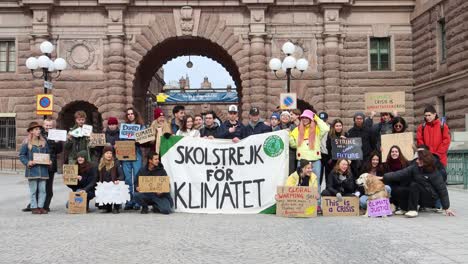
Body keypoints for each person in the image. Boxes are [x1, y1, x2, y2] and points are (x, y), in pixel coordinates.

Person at [381, 149, 455, 218]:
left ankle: (413, 210)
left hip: (430, 198)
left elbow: (442, 190)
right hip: (418, 193)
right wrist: (383, 177)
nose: (417, 161)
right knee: (399, 189)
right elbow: (399, 174)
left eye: (419, 159)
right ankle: (405, 208)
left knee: (414, 185)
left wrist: (446, 207)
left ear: (425, 160)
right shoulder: (414, 167)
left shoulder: (434, 172)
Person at [22, 118, 63, 212]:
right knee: (36, 187)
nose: (48, 127)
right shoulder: (38, 134)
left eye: (50, 125)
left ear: (53, 126)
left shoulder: (56, 135)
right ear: (43, 125)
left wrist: (57, 142)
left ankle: (45, 206)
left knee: (47, 188)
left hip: (50, 164)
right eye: (46, 125)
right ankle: (33, 205)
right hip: (38, 164)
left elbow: (59, 150)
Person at [289, 109, 330, 187]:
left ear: (311, 119)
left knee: (315, 183)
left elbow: (326, 128)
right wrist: (290, 136)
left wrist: (316, 117)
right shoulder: (296, 130)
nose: (304, 119)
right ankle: (302, 199)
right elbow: (294, 145)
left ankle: (317, 200)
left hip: (315, 161)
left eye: (307, 117)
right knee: (300, 183)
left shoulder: (317, 129)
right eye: (303, 117)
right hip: (302, 161)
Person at [19, 122, 51, 214]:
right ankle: (34, 207)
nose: (38, 131)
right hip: (32, 171)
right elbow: (21, 155)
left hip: (43, 170)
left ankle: (40, 207)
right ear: (31, 131)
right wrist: (28, 162)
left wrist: (49, 161)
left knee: (43, 190)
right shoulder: (26, 143)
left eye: (39, 129)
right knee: (33, 191)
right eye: (36, 129)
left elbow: (48, 154)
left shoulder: (44, 142)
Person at [122, 107, 145, 210]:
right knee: (127, 178)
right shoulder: (124, 127)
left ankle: (137, 200)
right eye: (128, 114)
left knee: (136, 176)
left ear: (135, 114)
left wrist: (138, 139)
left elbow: (145, 141)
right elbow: (121, 140)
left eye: (131, 114)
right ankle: (129, 200)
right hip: (126, 154)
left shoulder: (141, 127)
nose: (130, 115)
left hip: (137, 153)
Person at [346, 112, 375, 178]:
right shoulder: (350, 132)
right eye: (357, 118)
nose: (359, 120)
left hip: (366, 158)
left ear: (363, 120)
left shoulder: (369, 130)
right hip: (355, 159)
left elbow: (373, 142)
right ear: (354, 120)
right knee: (356, 176)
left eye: (361, 118)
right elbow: (349, 146)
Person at [97, 146, 125, 214]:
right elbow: (97, 176)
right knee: (102, 207)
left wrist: (118, 180)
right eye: (107, 153)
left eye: (110, 153)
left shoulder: (116, 162)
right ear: (104, 154)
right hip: (105, 185)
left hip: (114, 184)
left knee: (116, 187)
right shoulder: (101, 163)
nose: (109, 155)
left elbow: (122, 175)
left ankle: (116, 206)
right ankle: (107, 206)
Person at [318, 111, 330, 189]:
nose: (322, 121)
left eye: (324, 119)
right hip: (320, 154)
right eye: (321, 119)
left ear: (327, 119)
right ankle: (318, 190)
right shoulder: (316, 128)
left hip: (328, 154)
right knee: (319, 173)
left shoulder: (330, 128)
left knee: (328, 174)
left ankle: (328, 190)